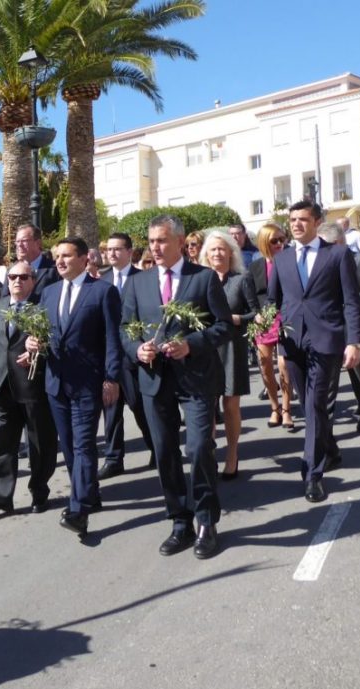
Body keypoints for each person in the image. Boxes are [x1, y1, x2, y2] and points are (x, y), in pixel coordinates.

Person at [119, 215, 232, 560]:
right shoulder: (138, 283)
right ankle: (179, 521)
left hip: (196, 379)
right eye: (152, 241)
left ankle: (206, 521)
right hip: (154, 381)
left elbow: (224, 326)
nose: (156, 247)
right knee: (165, 452)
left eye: (162, 240)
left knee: (199, 448)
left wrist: (192, 344)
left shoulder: (203, 279)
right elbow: (125, 328)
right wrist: (137, 349)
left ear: (180, 242)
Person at [25, 237, 122, 538]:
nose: (60, 261)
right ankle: (90, 493)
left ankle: (78, 509)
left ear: (84, 258)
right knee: (68, 447)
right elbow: (41, 332)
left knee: (82, 446)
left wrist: (112, 377)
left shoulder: (103, 292)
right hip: (56, 384)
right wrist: (32, 343)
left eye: (67, 256)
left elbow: (112, 339)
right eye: (57, 256)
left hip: (88, 383)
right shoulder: (49, 293)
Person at [268, 200, 360, 503]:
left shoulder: (337, 254)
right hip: (293, 341)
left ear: (317, 222)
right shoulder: (281, 259)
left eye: (303, 219)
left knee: (314, 405)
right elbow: (273, 302)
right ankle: (331, 449)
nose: (296, 224)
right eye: (292, 219)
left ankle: (312, 474)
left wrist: (354, 341)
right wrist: (261, 321)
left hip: (326, 339)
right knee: (309, 402)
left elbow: (351, 301)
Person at [0, 262, 58, 516]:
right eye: (12, 277)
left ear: (32, 280)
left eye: (23, 277)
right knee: (1, 442)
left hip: (33, 386)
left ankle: (39, 491)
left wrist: (39, 354)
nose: (17, 281)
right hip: (2, 386)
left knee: (39, 442)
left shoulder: (43, 307)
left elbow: (55, 343)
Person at [200, 229, 259, 479]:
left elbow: (255, 313)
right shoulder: (200, 279)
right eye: (212, 249)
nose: (217, 253)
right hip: (205, 348)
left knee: (230, 405)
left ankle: (232, 454)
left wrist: (236, 319)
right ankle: (209, 455)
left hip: (232, 347)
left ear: (231, 252)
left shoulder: (241, 279)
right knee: (206, 405)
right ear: (206, 254)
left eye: (221, 248)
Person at [320, 220, 360, 433]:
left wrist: (351, 299)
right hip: (330, 330)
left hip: (357, 329)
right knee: (328, 380)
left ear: (340, 242)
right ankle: (324, 427)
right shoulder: (320, 265)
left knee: (359, 374)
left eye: (326, 245)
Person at [99, 233, 154, 478]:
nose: (111, 254)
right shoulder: (101, 280)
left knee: (140, 406)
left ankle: (156, 446)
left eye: (117, 249)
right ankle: (113, 458)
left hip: (134, 356)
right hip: (110, 357)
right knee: (111, 409)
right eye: (108, 249)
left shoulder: (143, 279)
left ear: (130, 252)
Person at [247, 223, 295, 430]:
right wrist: (256, 314)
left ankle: (286, 410)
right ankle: (274, 407)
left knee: (284, 365)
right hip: (263, 320)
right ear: (264, 242)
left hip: (287, 318)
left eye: (282, 239)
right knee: (265, 364)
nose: (279, 244)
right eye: (274, 240)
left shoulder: (291, 261)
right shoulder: (255, 267)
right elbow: (250, 295)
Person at [9, 224, 61, 301]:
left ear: (38, 243)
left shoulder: (54, 270)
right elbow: (5, 300)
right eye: (17, 241)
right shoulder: (12, 270)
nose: (19, 245)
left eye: (24, 241)